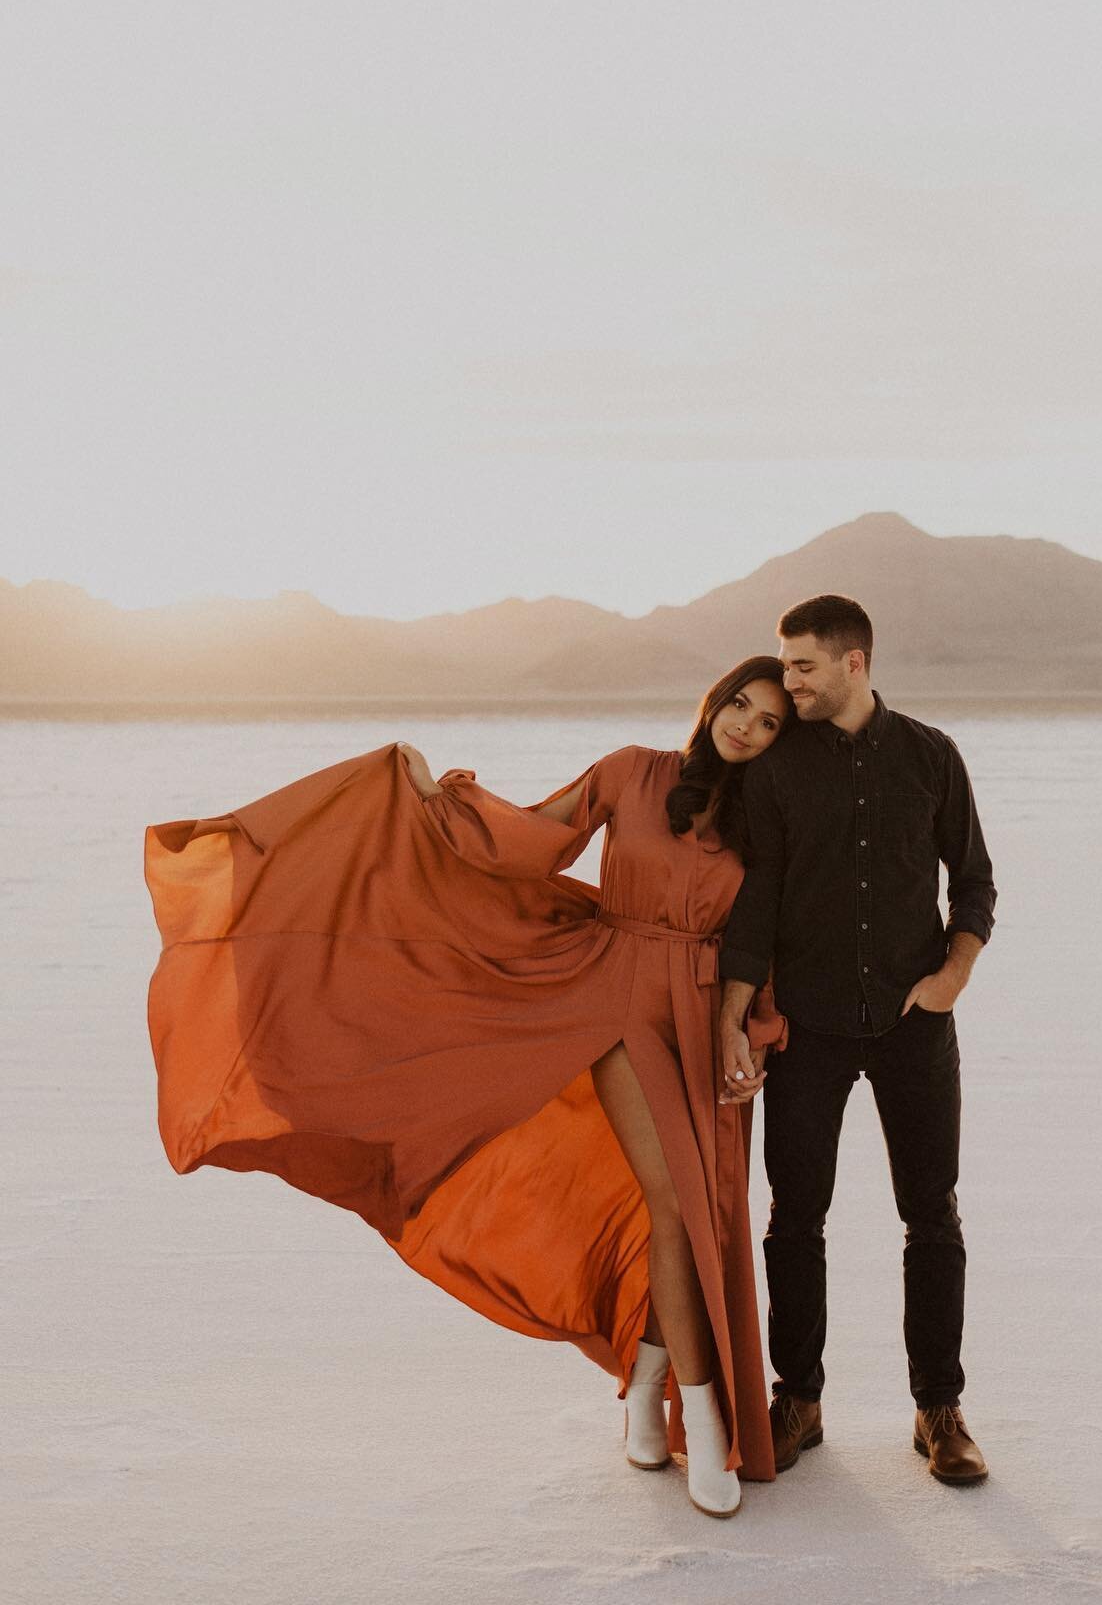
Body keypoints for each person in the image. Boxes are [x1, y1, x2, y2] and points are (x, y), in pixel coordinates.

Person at [143, 657, 792, 1518]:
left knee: (701, 1216)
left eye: (770, 721)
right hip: (614, 998)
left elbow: (766, 937)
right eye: (740, 704)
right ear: (715, 701)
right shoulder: (631, 771)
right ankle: (704, 1420)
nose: (745, 724)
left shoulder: (769, 820)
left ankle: (644, 1388)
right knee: (674, 1202)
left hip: (704, 1017)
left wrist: (753, 1033)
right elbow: (535, 837)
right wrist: (432, 799)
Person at [716, 596, 997, 1486]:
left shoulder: (931, 756)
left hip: (917, 1025)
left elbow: (976, 882)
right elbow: (757, 899)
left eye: (801, 666)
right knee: (794, 1219)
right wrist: (738, 1013)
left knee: (932, 1216)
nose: (787, 681)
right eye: (785, 665)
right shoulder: (774, 771)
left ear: (853, 663)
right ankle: (798, 1398)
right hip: (811, 1028)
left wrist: (954, 973)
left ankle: (938, 1409)